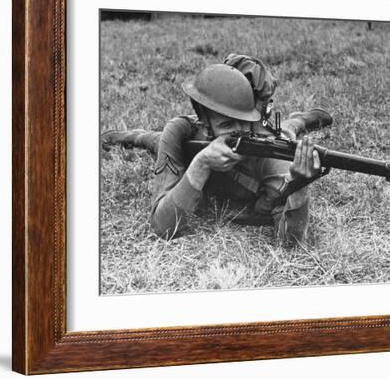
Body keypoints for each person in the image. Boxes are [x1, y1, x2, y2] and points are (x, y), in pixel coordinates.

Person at [102, 55, 332, 247]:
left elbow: (290, 242)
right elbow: (162, 227)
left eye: (243, 122)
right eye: (225, 124)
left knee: (287, 132)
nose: (238, 133)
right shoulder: (184, 131)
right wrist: (200, 164)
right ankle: (132, 134)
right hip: (184, 137)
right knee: (154, 139)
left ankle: (300, 119)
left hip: (275, 136)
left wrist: (300, 188)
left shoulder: (267, 153)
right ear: (204, 122)